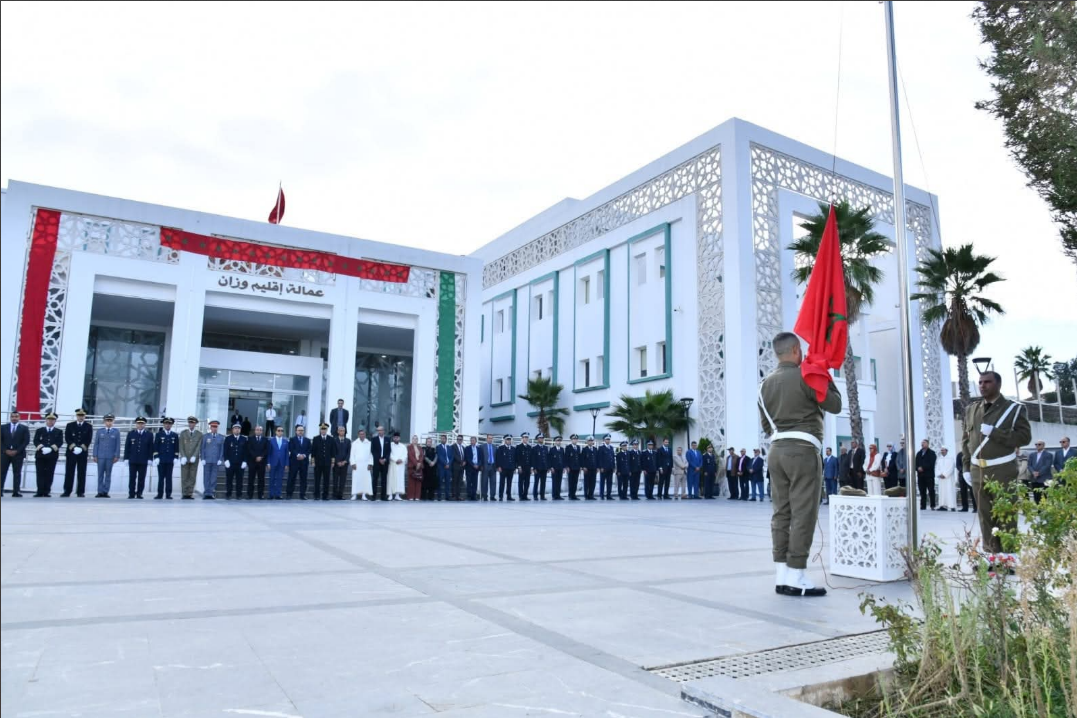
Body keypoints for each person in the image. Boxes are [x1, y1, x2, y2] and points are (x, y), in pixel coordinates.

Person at [758, 331, 842, 598]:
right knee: (804, 512)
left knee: (781, 512)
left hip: (776, 450)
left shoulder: (764, 384)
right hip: (803, 450)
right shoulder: (807, 375)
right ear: (795, 350)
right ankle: (797, 574)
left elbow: (765, 425)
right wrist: (824, 374)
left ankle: (781, 573)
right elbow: (835, 404)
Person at [961, 371, 1031, 565]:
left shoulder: (1014, 409)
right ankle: (992, 556)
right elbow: (966, 441)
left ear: (998, 384)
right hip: (977, 471)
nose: (983, 386)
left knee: (1006, 513)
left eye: (987, 382)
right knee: (984, 515)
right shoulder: (971, 410)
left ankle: (1009, 557)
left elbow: (1024, 437)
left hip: (1002, 469)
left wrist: (996, 433)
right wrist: (966, 467)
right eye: (980, 382)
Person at [63, 408, 93, 497]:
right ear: (76, 416)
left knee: (82, 472)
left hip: (82, 452)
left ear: (85, 416)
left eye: (82, 415)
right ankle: (67, 491)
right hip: (72, 452)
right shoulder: (70, 425)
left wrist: (82, 447)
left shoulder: (88, 426)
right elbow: (67, 437)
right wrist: (73, 447)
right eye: (79, 415)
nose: (81, 417)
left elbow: (89, 438)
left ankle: (80, 491)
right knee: (69, 472)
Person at [33, 412, 64, 497]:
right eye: (49, 419)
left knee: (49, 473)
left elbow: (60, 442)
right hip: (41, 455)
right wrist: (42, 447)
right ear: (46, 420)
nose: (51, 421)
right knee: (40, 473)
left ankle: (46, 491)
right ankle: (39, 491)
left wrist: (50, 448)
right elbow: (36, 440)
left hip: (52, 455)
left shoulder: (58, 431)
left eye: (53, 420)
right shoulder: (40, 430)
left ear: (55, 421)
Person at [124, 416, 154, 499]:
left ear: (145, 424)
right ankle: (131, 493)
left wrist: (150, 459)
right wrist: (126, 458)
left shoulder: (149, 434)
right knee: (132, 477)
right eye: (138, 423)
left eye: (142, 423)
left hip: (143, 460)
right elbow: (127, 447)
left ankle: (139, 493)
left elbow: (151, 447)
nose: (140, 425)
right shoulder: (131, 433)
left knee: (141, 478)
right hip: (133, 459)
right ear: (136, 424)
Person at [2, 410, 30, 497]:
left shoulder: (24, 428)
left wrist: (17, 451)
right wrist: (5, 450)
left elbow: (26, 441)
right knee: (2, 472)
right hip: (4, 454)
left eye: (16, 416)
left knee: (17, 473)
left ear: (19, 418)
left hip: (18, 454)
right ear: (10, 417)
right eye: (13, 417)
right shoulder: (2, 427)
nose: (14, 418)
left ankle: (16, 491)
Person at [92, 414, 120, 498]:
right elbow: (96, 444)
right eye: (107, 421)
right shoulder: (100, 431)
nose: (109, 422)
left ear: (113, 421)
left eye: (110, 420)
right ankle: (100, 491)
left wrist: (116, 455)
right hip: (100, 456)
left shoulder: (116, 432)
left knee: (108, 474)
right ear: (104, 421)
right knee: (100, 474)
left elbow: (117, 444)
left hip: (110, 456)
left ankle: (105, 491)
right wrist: (95, 455)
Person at [153, 417, 179, 500]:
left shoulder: (174, 435)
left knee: (169, 477)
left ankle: (168, 494)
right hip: (161, 459)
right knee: (161, 477)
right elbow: (156, 447)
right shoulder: (159, 434)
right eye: (166, 423)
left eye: (169, 424)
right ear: (164, 424)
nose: (167, 425)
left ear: (171, 425)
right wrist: (156, 457)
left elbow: (176, 447)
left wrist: (176, 457)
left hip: (170, 459)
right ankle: (159, 494)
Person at [178, 416, 202, 499]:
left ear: (195, 424)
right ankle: (184, 493)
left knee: (192, 476)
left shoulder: (199, 434)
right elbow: (181, 445)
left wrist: (195, 456)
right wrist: (183, 456)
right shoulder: (183, 433)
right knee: (184, 476)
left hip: (194, 458)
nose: (191, 424)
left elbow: (198, 446)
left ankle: (190, 493)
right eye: (190, 422)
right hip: (185, 458)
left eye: (193, 423)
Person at [201, 420, 225, 499]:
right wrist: (203, 458)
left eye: (216, 427)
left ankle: (211, 492)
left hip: (215, 461)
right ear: (210, 427)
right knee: (206, 476)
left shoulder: (221, 437)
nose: (214, 428)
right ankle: (206, 492)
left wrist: (220, 459)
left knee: (213, 477)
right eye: (213, 427)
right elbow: (202, 448)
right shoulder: (205, 436)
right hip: (207, 460)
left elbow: (222, 449)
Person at [223, 423, 249, 500]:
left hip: (240, 463)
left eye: (238, 428)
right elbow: (225, 450)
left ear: (240, 430)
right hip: (230, 463)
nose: (237, 430)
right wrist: (226, 460)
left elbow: (246, 451)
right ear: (232, 430)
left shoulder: (244, 439)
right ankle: (228, 494)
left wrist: (245, 461)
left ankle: (239, 494)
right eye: (235, 428)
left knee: (239, 480)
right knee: (229, 479)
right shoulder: (228, 439)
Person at [310, 423, 334, 500]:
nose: (323, 431)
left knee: (326, 480)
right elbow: (313, 451)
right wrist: (313, 461)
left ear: (327, 430)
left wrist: (332, 462)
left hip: (327, 463)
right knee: (317, 479)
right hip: (318, 463)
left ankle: (325, 495)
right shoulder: (316, 438)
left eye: (324, 429)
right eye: (322, 429)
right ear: (320, 430)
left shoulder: (331, 439)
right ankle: (316, 495)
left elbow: (332, 451)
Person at [287, 424, 311, 499]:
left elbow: (309, 449)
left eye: (302, 430)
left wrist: (303, 455)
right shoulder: (292, 439)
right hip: (294, 461)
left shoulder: (307, 440)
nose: (300, 432)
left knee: (303, 479)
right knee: (292, 478)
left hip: (304, 462)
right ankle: (289, 494)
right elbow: (291, 448)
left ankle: (302, 494)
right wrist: (297, 455)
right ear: (296, 431)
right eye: (299, 430)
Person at [246, 425, 269, 499]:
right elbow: (249, 449)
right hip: (252, 461)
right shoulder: (250, 439)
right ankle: (250, 494)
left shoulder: (265, 440)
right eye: (257, 429)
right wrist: (256, 457)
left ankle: (260, 494)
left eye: (260, 430)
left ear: (262, 431)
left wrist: (261, 457)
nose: (258, 431)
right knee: (251, 479)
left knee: (261, 479)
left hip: (262, 462)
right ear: (254, 431)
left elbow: (267, 450)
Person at [267, 426, 289, 499]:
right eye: (278, 430)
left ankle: (278, 494)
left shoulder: (285, 441)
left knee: (279, 479)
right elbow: (269, 453)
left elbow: (286, 454)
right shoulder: (271, 441)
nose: (280, 432)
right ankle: (271, 494)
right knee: (272, 478)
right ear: (276, 432)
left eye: (281, 430)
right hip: (273, 462)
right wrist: (268, 463)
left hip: (282, 463)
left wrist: (286, 464)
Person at [350, 429, 372, 500]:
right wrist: (353, 463)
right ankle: (354, 495)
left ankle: (364, 495)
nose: (362, 435)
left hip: (366, 465)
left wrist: (370, 464)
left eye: (363, 434)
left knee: (365, 480)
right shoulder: (355, 443)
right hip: (357, 464)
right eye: (360, 434)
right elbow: (352, 454)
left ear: (365, 435)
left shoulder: (369, 443)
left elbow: (371, 455)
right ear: (358, 435)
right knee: (356, 480)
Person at [370, 426, 391, 501]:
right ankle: (373, 496)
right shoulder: (374, 439)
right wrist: (379, 459)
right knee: (375, 479)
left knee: (384, 479)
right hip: (377, 462)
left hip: (385, 462)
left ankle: (383, 496)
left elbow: (389, 451)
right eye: (378, 430)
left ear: (384, 431)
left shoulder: (388, 439)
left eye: (381, 430)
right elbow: (373, 451)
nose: (379, 432)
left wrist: (385, 459)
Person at [915, 439, 937, 510]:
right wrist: (917, 468)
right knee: (922, 491)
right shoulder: (918, 453)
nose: (922, 444)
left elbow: (931, 463)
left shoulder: (932, 453)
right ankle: (923, 505)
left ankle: (932, 505)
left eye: (924, 443)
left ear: (928, 444)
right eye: (922, 443)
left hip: (929, 475)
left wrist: (923, 468)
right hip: (920, 476)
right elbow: (915, 463)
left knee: (931, 490)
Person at [331, 426, 351, 500]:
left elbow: (349, 453)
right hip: (336, 464)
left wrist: (345, 461)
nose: (342, 432)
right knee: (335, 480)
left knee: (343, 480)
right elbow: (333, 452)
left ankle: (340, 495)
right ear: (338, 432)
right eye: (340, 430)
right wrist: (337, 461)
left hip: (344, 464)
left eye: (343, 430)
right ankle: (334, 495)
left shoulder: (348, 441)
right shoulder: (334, 440)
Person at [935, 446, 955, 511]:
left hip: (948, 478)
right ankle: (942, 505)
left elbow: (951, 468)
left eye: (943, 450)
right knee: (942, 492)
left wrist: (945, 475)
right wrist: (939, 474)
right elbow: (937, 468)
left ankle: (951, 506)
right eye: (941, 450)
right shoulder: (939, 459)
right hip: (941, 478)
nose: (942, 451)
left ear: (946, 451)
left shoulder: (951, 458)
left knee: (949, 491)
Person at [496, 434, 515, 501]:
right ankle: (501, 496)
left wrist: (514, 468)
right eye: (507, 439)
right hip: (503, 469)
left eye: (510, 439)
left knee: (509, 483)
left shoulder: (513, 448)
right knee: (502, 483)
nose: (509, 441)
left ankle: (509, 496)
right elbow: (498, 458)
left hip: (511, 469)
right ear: (504, 440)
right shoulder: (501, 448)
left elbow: (514, 459)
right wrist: (498, 466)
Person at [479, 433, 498, 501]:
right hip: (485, 466)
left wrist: (497, 466)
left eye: (491, 438)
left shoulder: (495, 447)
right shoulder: (482, 446)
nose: (490, 439)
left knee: (493, 482)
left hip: (493, 466)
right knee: (484, 482)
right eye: (489, 438)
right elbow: (480, 457)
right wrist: (481, 465)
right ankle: (485, 496)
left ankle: (492, 496)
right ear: (486, 439)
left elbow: (496, 457)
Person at [388, 432, 407, 500]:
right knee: (391, 479)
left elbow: (405, 455)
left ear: (399, 438)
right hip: (393, 464)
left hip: (400, 465)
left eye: (397, 437)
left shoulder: (403, 446)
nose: (396, 438)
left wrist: (401, 460)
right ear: (393, 438)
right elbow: (389, 454)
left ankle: (397, 495)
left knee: (399, 480)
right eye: (395, 437)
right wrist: (396, 460)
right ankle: (390, 494)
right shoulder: (390, 445)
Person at [531, 433, 549, 500]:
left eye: (542, 438)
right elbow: (533, 459)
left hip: (544, 468)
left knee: (543, 483)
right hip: (537, 468)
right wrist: (534, 468)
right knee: (536, 482)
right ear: (537, 439)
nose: (541, 439)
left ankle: (542, 496)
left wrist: (548, 467)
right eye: (540, 438)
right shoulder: (535, 448)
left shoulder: (545, 448)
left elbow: (547, 458)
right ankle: (535, 495)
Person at [406, 434, 424, 501]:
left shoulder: (420, 448)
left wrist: (419, 463)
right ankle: (410, 496)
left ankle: (417, 496)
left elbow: (422, 456)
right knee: (411, 482)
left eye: (416, 439)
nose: (415, 440)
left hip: (419, 466)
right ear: (412, 440)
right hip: (412, 466)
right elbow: (410, 456)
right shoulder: (409, 447)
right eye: (414, 438)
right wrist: (416, 464)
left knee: (418, 482)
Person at [515, 432, 532, 500]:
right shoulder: (519, 447)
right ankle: (520, 495)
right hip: (522, 467)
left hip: (528, 467)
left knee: (527, 482)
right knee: (521, 482)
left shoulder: (529, 447)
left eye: (527, 437)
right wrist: (519, 467)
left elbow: (531, 458)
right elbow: (517, 458)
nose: (525, 439)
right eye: (524, 437)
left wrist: (531, 467)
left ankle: (525, 495)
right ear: (522, 438)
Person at [436, 434, 453, 502]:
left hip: (448, 468)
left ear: (446, 439)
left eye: (444, 438)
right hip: (441, 467)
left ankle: (447, 496)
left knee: (448, 483)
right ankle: (439, 496)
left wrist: (449, 464)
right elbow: (439, 456)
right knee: (440, 482)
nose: (443, 439)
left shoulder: (449, 447)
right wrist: (445, 463)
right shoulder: (438, 447)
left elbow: (452, 456)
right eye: (441, 438)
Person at [598, 434, 616, 500]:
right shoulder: (601, 448)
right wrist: (601, 467)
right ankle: (601, 495)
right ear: (604, 440)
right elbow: (599, 458)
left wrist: (614, 467)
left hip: (610, 468)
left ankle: (609, 495)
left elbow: (612, 458)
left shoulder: (611, 447)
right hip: (604, 468)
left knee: (609, 482)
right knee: (602, 482)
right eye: (607, 439)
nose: (608, 440)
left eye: (609, 439)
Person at [565, 434, 581, 500]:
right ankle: (570, 495)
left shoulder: (578, 447)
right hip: (570, 468)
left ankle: (574, 494)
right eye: (573, 439)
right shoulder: (568, 447)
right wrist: (567, 466)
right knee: (570, 482)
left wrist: (580, 467)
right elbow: (566, 457)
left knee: (575, 482)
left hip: (577, 467)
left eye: (576, 439)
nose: (575, 440)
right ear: (571, 440)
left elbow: (579, 458)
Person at [465, 435, 481, 501]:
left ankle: (474, 496)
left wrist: (478, 465)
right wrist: (473, 464)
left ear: (476, 441)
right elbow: (467, 458)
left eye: (474, 440)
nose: (472, 441)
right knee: (469, 482)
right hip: (469, 467)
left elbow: (480, 458)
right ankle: (469, 495)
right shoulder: (467, 448)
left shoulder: (479, 449)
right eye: (471, 440)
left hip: (476, 468)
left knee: (475, 482)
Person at [451, 434, 467, 501]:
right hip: (455, 467)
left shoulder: (463, 447)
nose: (459, 440)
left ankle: (458, 496)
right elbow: (454, 456)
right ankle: (454, 495)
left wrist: (465, 462)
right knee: (454, 481)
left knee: (460, 482)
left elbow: (464, 456)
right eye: (458, 439)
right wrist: (461, 462)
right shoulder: (453, 446)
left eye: (460, 439)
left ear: (462, 440)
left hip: (462, 468)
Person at [581, 436, 597, 500]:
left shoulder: (595, 449)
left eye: (592, 441)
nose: (591, 442)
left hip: (594, 468)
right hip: (587, 469)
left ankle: (591, 495)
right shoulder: (584, 449)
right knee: (586, 483)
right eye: (589, 441)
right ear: (587, 442)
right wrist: (583, 467)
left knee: (593, 482)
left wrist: (597, 467)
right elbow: (582, 459)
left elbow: (597, 459)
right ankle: (586, 495)